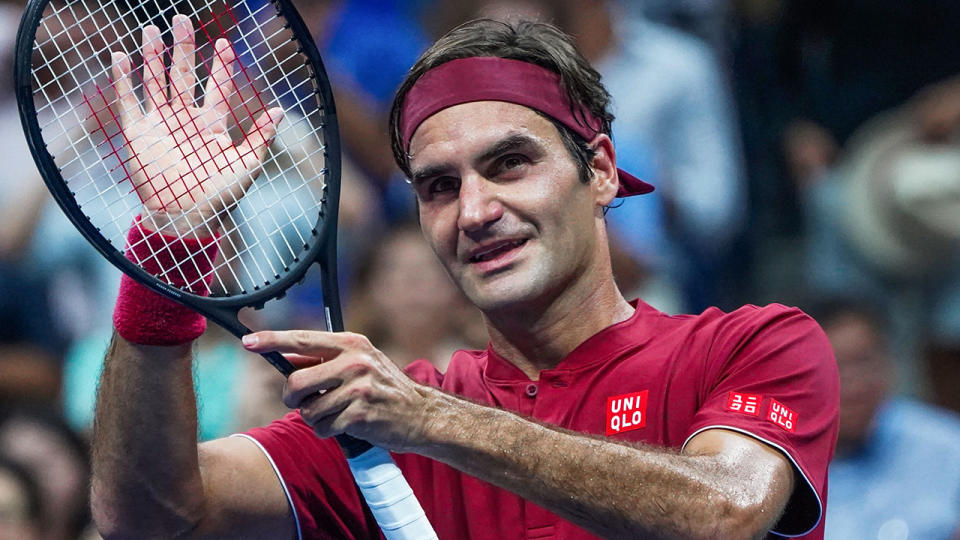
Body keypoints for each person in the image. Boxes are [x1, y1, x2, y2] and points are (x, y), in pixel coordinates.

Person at [90, 16, 839, 540]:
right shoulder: (379, 418)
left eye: (510, 163)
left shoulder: (755, 344)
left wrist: (428, 424)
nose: (475, 210)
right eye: (439, 186)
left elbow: (726, 511)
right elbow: (153, 517)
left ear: (601, 172)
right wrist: (168, 253)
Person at [809, 298, 960, 540]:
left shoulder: (949, 446)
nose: (853, 384)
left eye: (863, 362)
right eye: (835, 366)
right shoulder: (779, 464)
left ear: (890, 364)